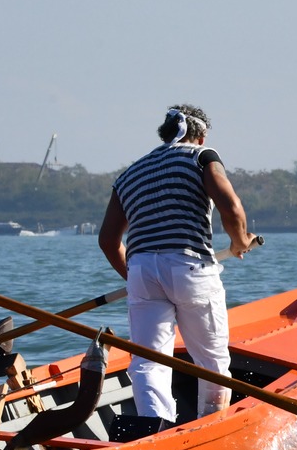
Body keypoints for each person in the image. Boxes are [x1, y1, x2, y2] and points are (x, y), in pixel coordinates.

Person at [97, 104, 258, 432]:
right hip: (190, 266)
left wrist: (135, 280)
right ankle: (211, 428)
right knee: (212, 362)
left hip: (141, 268)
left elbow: (108, 241)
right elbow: (232, 207)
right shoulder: (201, 156)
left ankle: (154, 432)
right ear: (200, 136)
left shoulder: (130, 174)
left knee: (147, 362)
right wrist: (240, 241)